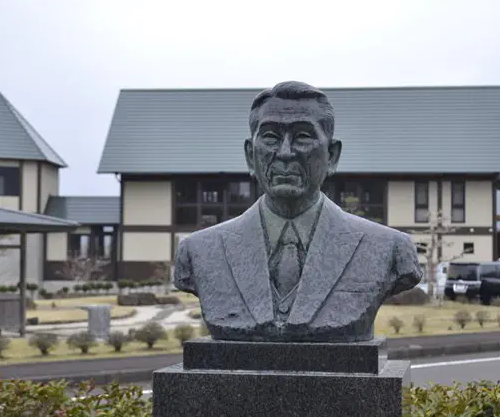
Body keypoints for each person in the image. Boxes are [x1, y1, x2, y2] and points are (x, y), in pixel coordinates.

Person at [174, 81, 422, 342]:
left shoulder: (388, 248)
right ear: (250, 155)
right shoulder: (199, 251)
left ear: (332, 155)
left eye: (303, 136)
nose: (284, 153)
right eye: (270, 137)